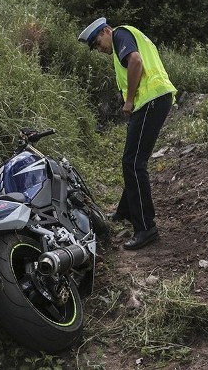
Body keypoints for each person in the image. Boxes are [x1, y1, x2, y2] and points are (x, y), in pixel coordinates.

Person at [78, 17, 176, 250]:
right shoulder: (128, 36)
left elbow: (135, 61)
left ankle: (145, 227)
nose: (98, 48)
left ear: (106, 31)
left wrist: (129, 100)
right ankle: (125, 211)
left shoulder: (121, 34)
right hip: (153, 101)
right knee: (132, 159)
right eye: (93, 47)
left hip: (149, 102)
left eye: (97, 42)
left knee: (133, 163)